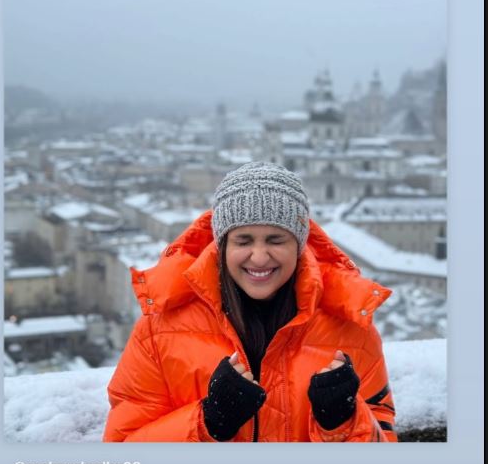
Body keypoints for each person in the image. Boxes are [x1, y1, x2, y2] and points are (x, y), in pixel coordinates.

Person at [103, 161, 397, 442]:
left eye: (275, 240)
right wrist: (207, 423)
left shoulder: (352, 331)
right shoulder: (158, 333)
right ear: (222, 246)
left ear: (298, 245)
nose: (259, 257)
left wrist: (344, 422)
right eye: (243, 241)